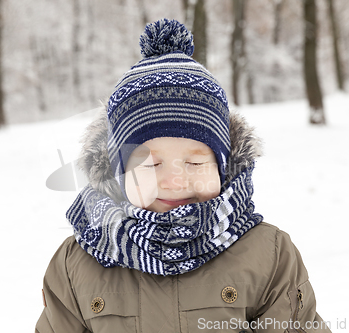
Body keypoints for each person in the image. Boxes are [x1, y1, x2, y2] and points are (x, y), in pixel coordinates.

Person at [35, 18, 331, 333]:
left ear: (223, 166)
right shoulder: (76, 264)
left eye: (195, 163)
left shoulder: (267, 254)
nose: (176, 181)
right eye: (150, 165)